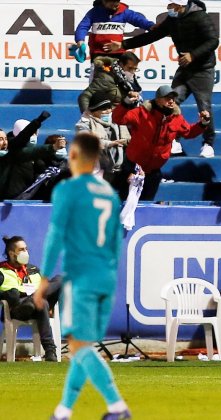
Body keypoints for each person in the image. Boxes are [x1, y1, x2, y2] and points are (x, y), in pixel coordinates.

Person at [33, 132, 129, 419]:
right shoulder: (109, 195)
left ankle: (117, 406)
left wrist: (44, 278)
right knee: (81, 347)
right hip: (105, 277)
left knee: (78, 345)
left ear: (73, 156)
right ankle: (63, 411)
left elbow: (55, 236)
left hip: (82, 277)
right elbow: (115, 243)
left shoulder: (69, 190)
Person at [105, 0, 219, 158]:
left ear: (180, 6)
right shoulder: (172, 19)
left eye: (171, 5)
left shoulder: (200, 17)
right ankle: (174, 140)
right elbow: (152, 36)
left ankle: (208, 144)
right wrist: (124, 44)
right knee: (171, 100)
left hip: (203, 69)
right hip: (184, 68)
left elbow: (213, 40)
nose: (168, 8)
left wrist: (193, 55)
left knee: (204, 105)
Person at [112, 85, 211, 200]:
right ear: (158, 99)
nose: (171, 101)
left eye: (173, 98)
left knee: (146, 205)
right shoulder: (141, 113)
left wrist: (203, 124)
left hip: (153, 171)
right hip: (132, 167)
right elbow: (118, 118)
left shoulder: (176, 118)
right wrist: (126, 102)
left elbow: (188, 132)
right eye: (167, 98)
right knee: (125, 202)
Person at [0, 236, 58, 362]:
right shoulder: (1, 270)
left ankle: (50, 352)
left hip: (37, 304)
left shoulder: (33, 270)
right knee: (38, 302)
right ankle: (50, 350)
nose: (25, 252)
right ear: (11, 253)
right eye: (21, 249)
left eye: (26, 249)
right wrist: (9, 294)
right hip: (17, 308)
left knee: (59, 280)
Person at [0, 115, 65, 200]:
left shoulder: (12, 155)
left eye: (5, 139)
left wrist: (53, 149)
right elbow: (23, 139)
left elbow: (31, 152)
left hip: (19, 198)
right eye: (1, 139)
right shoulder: (14, 152)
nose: (5, 143)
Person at [76, 93, 131, 187]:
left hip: (121, 169)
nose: (108, 111)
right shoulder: (83, 124)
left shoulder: (118, 120)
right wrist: (109, 143)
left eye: (109, 108)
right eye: (103, 109)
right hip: (98, 168)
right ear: (94, 111)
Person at [74, 0, 154, 62]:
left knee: (118, 78)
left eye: (117, 1)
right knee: (98, 79)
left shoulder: (124, 12)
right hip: (98, 52)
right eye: (112, 2)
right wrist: (80, 40)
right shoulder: (94, 12)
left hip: (118, 51)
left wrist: (151, 26)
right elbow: (82, 27)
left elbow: (139, 19)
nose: (116, 4)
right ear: (104, 1)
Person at [78, 52, 142, 113]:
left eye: (135, 69)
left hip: (123, 116)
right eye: (130, 68)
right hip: (108, 117)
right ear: (121, 64)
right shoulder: (106, 77)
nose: (132, 72)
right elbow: (85, 96)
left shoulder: (130, 80)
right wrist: (87, 114)